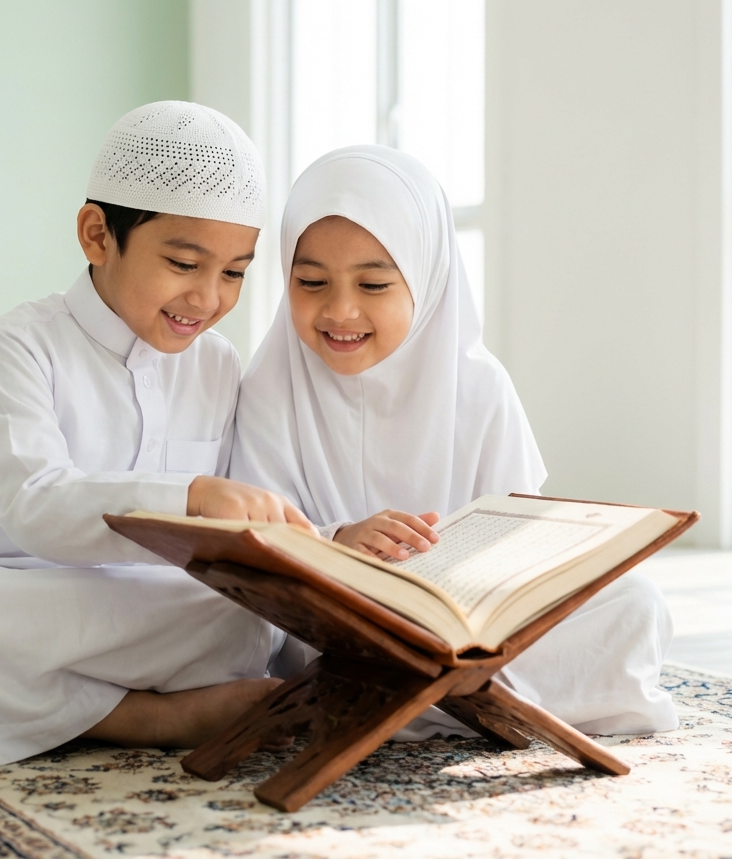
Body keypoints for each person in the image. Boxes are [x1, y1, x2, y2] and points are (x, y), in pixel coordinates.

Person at [0, 101, 312, 774]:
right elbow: (39, 507)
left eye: (233, 272)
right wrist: (191, 496)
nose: (207, 298)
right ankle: (153, 717)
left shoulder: (219, 364)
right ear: (96, 234)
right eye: (183, 263)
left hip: (142, 609)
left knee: (244, 619)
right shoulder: (19, 345)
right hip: (5, 593)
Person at [231, 145, 677, 737]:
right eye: (311, 281)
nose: (340, 310)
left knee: (635, 601)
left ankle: (419, 700)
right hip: (338, 620)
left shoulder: (478, 386)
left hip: (467, 624)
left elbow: (520, 539)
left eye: (373, 284)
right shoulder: (269, 386)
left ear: (427, 276)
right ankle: (459, 701)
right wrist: (339, 541)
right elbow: (256, 544)